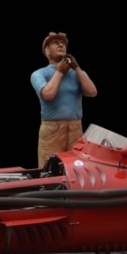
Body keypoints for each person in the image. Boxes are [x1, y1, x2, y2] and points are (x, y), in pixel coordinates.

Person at [30, 32, 98, 168]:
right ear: (47, 51)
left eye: (63, 43)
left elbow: (92, 92)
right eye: (55, 43)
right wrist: (60, 72)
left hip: (75, 128)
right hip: (52, 130)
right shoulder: (39, 74)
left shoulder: (78, 74)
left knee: (77, 166)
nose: (61, 45)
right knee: (48, 168)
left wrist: (77, 68)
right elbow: (48, 94)